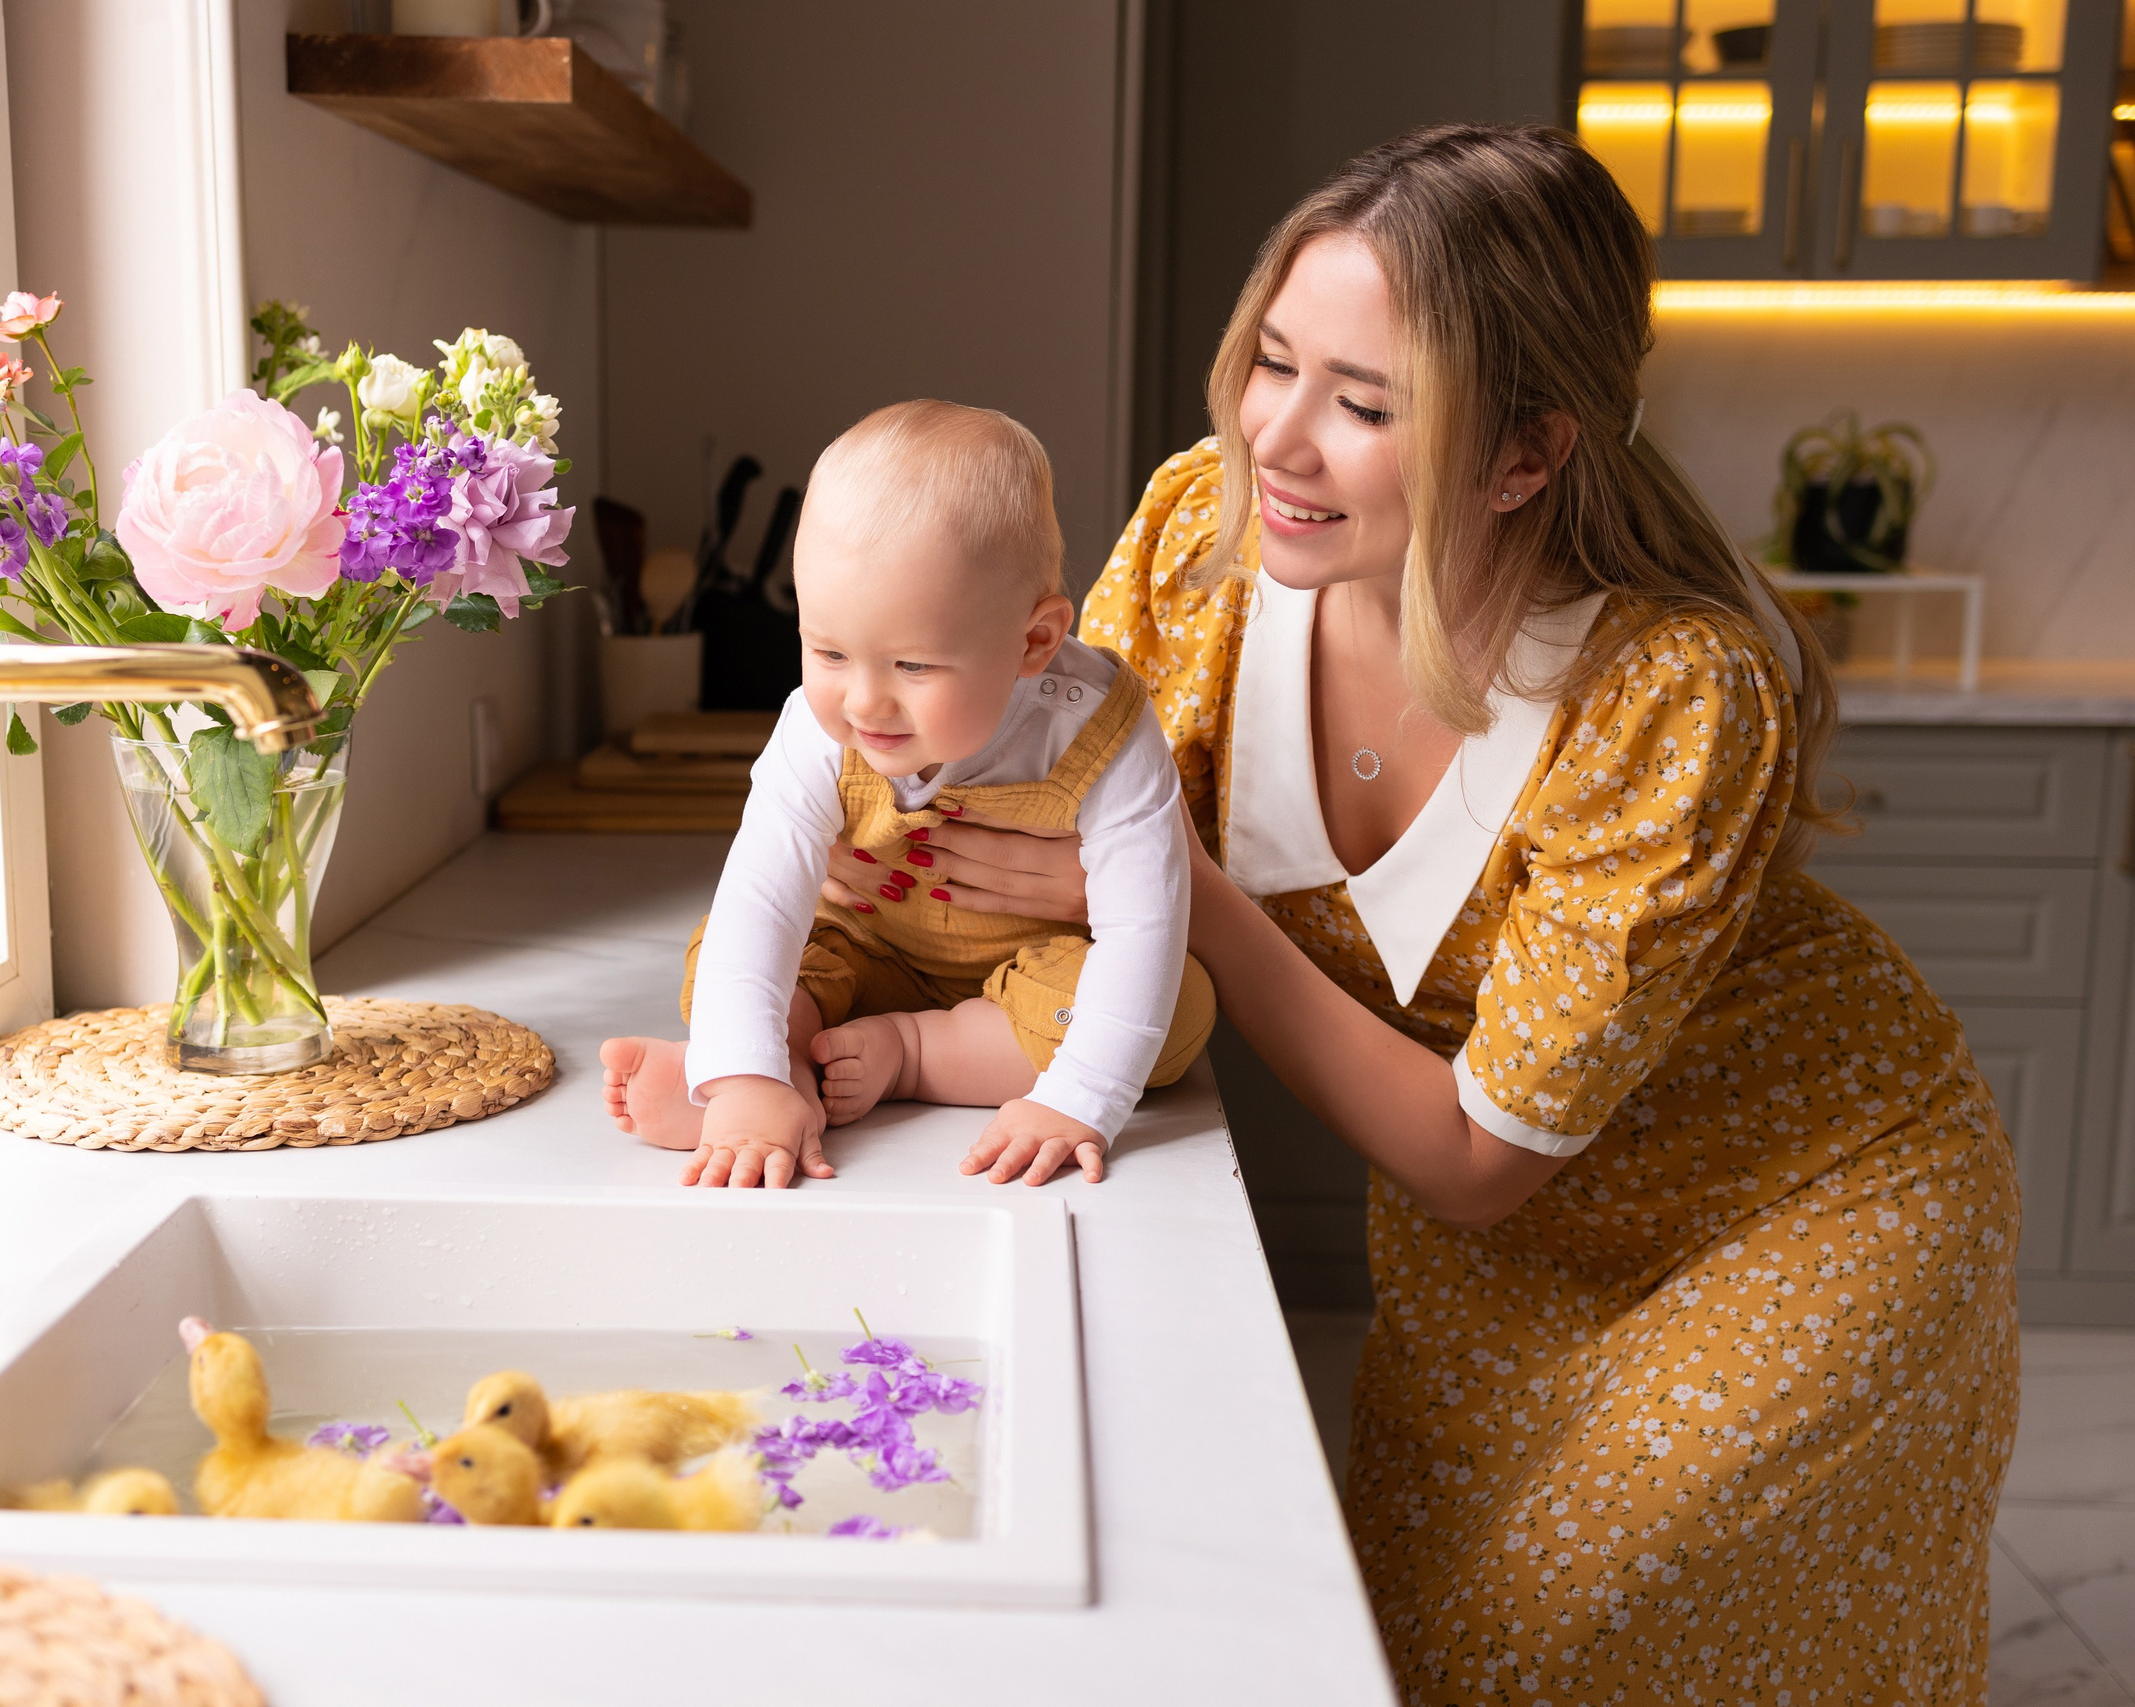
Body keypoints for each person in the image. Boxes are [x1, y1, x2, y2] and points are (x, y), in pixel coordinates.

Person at [830, 127, 2021, 1699]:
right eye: (1273, 362)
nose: (1282, 439)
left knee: (1544, 1643)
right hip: (1495, 1269)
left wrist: (1182, 895)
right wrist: (803, 991)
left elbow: (1479, 1156)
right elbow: (1006, 819)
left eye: (1367, 404)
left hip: (1801, 1199)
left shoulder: (1668, 690)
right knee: (1403, 1658)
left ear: (1525, 451)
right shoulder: (1206, 542)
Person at [599, 400, 1213, 1191]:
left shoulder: (1103, 732)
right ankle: (761, 1078)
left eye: (914, 667)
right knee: (727, 947)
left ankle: (914, 1052)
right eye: (828, 651)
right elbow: (763, 895)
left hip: (1027, 979)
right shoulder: (815, 732)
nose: (863, 703)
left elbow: (1143, 924)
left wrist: (1079, 1101)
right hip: (867, 951)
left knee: (1176, 1014)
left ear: (1034, 641)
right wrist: (743, 1073)